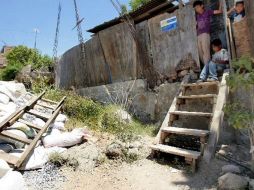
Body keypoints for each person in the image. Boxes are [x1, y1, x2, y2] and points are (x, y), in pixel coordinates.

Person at [193, 0, 223, 67]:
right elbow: (194, 26)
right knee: (200, 52)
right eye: (195, 8)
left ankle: (208, 68)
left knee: (206, 51)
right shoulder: (196, 16)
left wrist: (221, 2)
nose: (197, 9)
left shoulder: (207, 12)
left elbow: (220, 11)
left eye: (198, 7)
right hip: (198, 35)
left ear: (202, 6)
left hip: (205, 34)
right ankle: (207, 67)